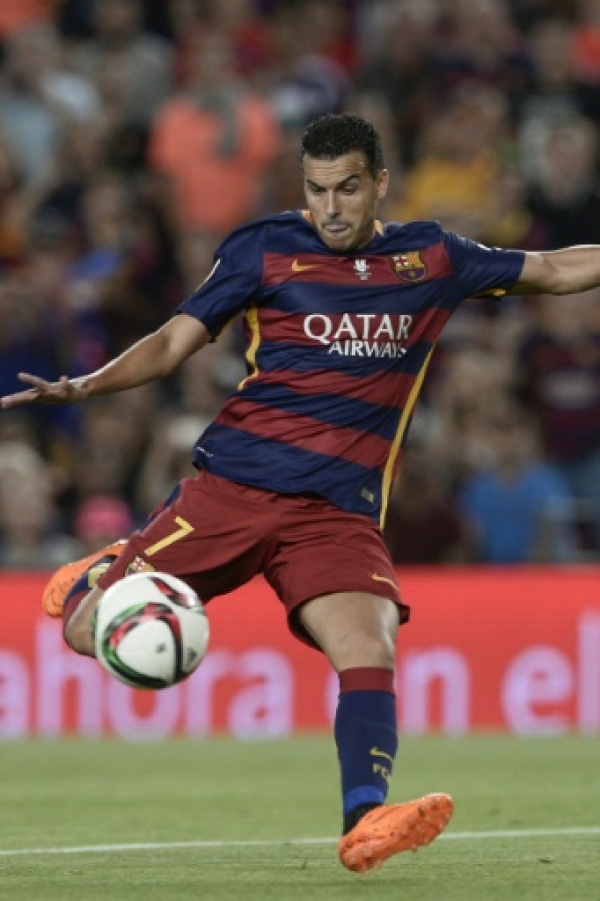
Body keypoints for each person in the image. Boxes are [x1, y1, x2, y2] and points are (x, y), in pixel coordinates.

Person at [2, 112, 599, 873]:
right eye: (317, 190)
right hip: (232, 491)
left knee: (369, 641)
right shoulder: (264, 248)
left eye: (348, 188)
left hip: (336, 514)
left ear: (380, 183)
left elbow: (549, 269)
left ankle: (364, 816)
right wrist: (86, 385)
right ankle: (104, 568)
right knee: (87, 631)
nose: (331, 208)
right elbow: (174, 341)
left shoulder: (431, 257)